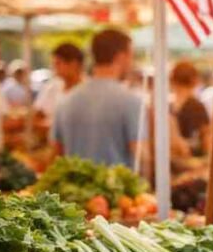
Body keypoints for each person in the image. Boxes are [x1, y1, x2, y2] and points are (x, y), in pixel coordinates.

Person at [52, 28, 145, 168]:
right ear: (120, 57)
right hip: (120, 189)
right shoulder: (132, 101)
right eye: (131, 56)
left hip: (74, 187)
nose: (132, 63)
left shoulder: (65, 101)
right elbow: (141, 157)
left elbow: (56, 154)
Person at [170, 61, 211, 157]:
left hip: (171, 162)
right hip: (192, 162)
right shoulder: (197, 106)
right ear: (194, 80)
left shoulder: (168, 106)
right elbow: (207, 138)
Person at [36, 43, 86, 120]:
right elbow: (39, 111)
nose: (54, 68)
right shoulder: (52, 86)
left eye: (58, 64)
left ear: (74, 64)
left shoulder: (88, 89)